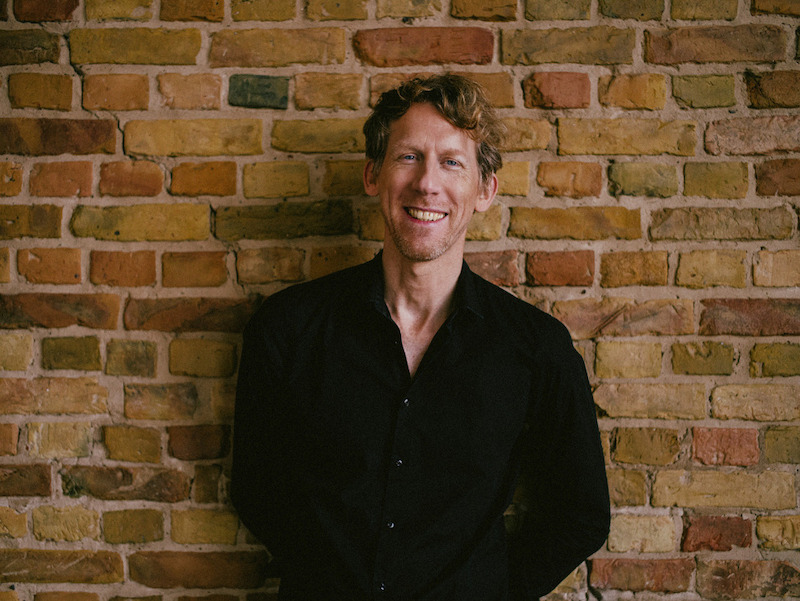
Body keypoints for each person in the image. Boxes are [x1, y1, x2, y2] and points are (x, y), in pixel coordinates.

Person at [232, 73, 610, 600]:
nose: (427, 183)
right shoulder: (288, 328)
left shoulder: (535, 349)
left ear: (484, 190)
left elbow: (581, 513)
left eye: (452, 162)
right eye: (409, 156)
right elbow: (257, 490)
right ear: (373, 175)